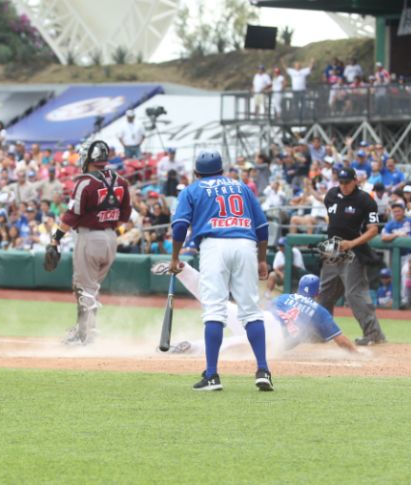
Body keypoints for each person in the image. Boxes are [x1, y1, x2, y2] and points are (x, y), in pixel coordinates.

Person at [168, 150, 272, 392]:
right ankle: (263, 370)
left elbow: (180, 226)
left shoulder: (192, 190)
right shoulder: (241, 187)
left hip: (213, 245)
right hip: (246, 244)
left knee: (214, 309)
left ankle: (213, 375)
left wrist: (174, 258)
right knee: (251, 311)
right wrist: (263, 259)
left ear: (196, 173)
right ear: (221, 170)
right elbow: (263, 226)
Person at [155, 266, 358, 356]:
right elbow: (341, 341)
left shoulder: (285, 297)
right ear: (316, 293)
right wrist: (358, 354)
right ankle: (190, 347)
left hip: (263, 317)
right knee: (231, 345)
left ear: (300, 288)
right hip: (274, 335)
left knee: (219, 302)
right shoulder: (319, 311)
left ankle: (185, 270)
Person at [46, 140, 132, 345]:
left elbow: (71, 216)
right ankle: (84, 329)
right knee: (89, 287)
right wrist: (107, 225)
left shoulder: (85, 182)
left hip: (89, 237)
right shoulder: (121, 181)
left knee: (84, 288)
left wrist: (55, 239)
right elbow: (125, 215)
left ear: (88, 158)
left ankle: (85, 334)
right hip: (111, 238)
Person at [318, 167, 387, 345]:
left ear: (355, 181)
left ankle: (373, 334)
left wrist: (352, 243)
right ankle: (321, 333)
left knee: (354, 294)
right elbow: (333, 221)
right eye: (341, 182)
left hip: (354, 251)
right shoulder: (332, 195)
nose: (344, 186)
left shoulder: (365, 200)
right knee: (325, 293)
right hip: (333, 250)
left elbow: (373, 231)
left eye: (347, 182)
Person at [381, 202, 411, 307]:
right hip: (397, 256)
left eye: (399, 211)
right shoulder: (390, 224)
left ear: (403, 211)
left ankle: (404, 300)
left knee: (405, 272)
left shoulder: (409, 220)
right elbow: (383, 237)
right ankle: (398, 299)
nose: (397, 213)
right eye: (394, 211)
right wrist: (397, 234)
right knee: (396, 277)